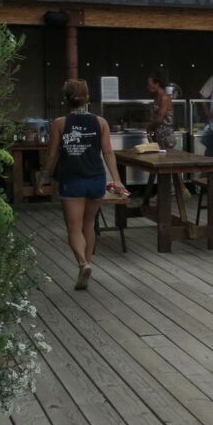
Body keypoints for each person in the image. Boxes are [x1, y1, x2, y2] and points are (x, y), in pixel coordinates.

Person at [40, 79, 127, 291]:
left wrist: (44, 176)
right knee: (89, 225)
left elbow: (52, 154)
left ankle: (82, 263)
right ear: (88, 98)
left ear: (65, 99)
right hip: (96, 179)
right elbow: (107, 152)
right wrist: (116, 179)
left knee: (74, 228)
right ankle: (86, 266)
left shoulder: (59, 124)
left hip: (72, 180)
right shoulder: (101, 122)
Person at [145, 70, 176, 149]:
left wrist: (149, 127)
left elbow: (159, 120)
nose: (148, 87)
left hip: (166, 137)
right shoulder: (157, 98)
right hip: (158, 136)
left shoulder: (164, 98)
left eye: (149, 84)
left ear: (157, 84)